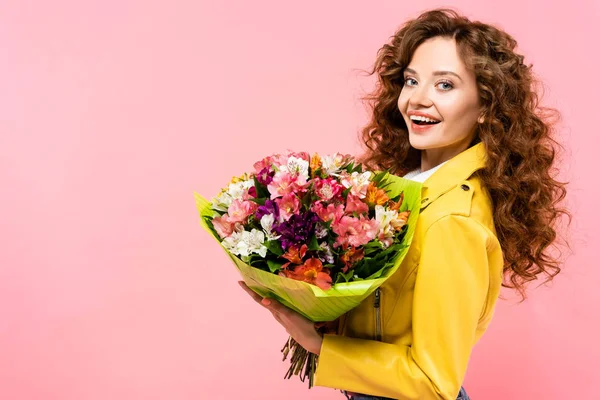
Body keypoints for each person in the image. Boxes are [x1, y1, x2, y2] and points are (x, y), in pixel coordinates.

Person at [239, 8, 569, 400]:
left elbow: (434, 381)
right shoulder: (408, 188)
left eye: (444, 85)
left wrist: (321, 347)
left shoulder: (454, 220)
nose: (417, 99)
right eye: (411, 81)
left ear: (485, 107)